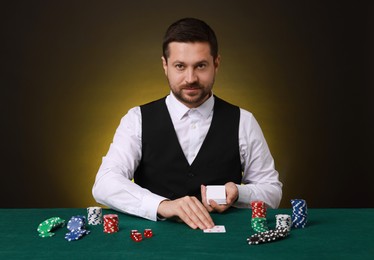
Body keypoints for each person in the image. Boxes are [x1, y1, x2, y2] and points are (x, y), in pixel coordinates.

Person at [92, 17, 282, 230]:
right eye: (180, 66)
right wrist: (163, 205)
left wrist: (240, 192)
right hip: (152, 244)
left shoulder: (243, 121)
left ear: (216, 64)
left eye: (200, 66)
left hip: (224, 246)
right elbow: (104, 184)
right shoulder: (136, 119)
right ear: (165, 65)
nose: (190, 78)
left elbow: (272, 192)